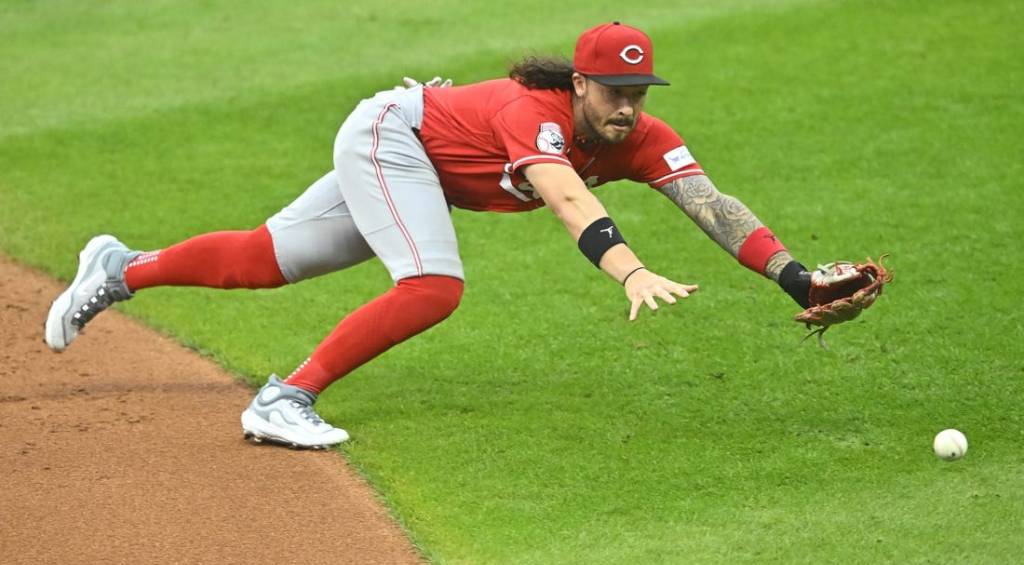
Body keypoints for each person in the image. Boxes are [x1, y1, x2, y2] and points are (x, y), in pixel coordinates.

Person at [45, 22, 813, 450]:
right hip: (393, 138)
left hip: (422, 167)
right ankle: (285, 399)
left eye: (640, 93)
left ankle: (120, 268)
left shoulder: (641, 135)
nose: (628, 108)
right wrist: (630, 271)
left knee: (265, 260)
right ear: (580, 83)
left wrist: (795, 277)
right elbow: (567, 198)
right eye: (615, 91)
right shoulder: (532, 115)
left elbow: (711, 203)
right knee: (433, 286)